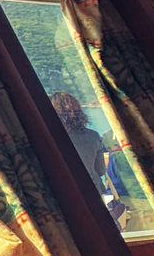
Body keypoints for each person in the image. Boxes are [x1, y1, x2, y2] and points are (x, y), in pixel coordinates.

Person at [50, 91, 129, 229]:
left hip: (61, 193)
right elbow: (100, 170)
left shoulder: (50, 138)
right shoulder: (93, 136)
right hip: (91, 190)